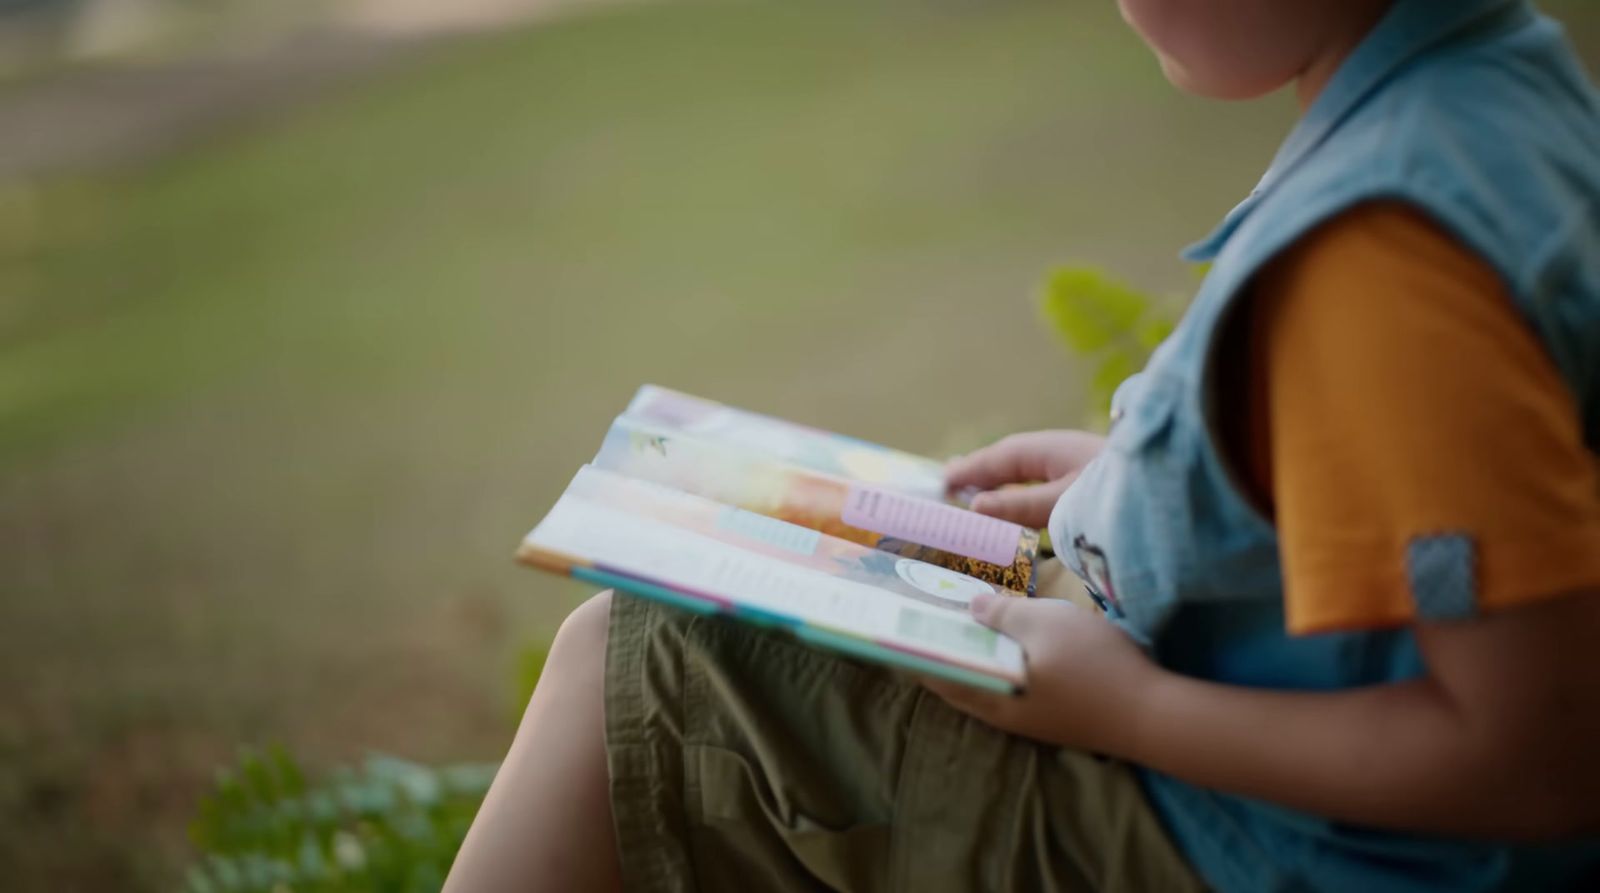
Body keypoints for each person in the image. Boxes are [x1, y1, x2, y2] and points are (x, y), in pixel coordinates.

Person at [445, 0, 1600, 889]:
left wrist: (1125, 713)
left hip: (1279, 847)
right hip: (1252, 754)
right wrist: (1137, 479)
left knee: (639, 662)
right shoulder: (1494, 78)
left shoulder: (1392, 253)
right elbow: (1416, 470)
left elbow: (1534, 754)